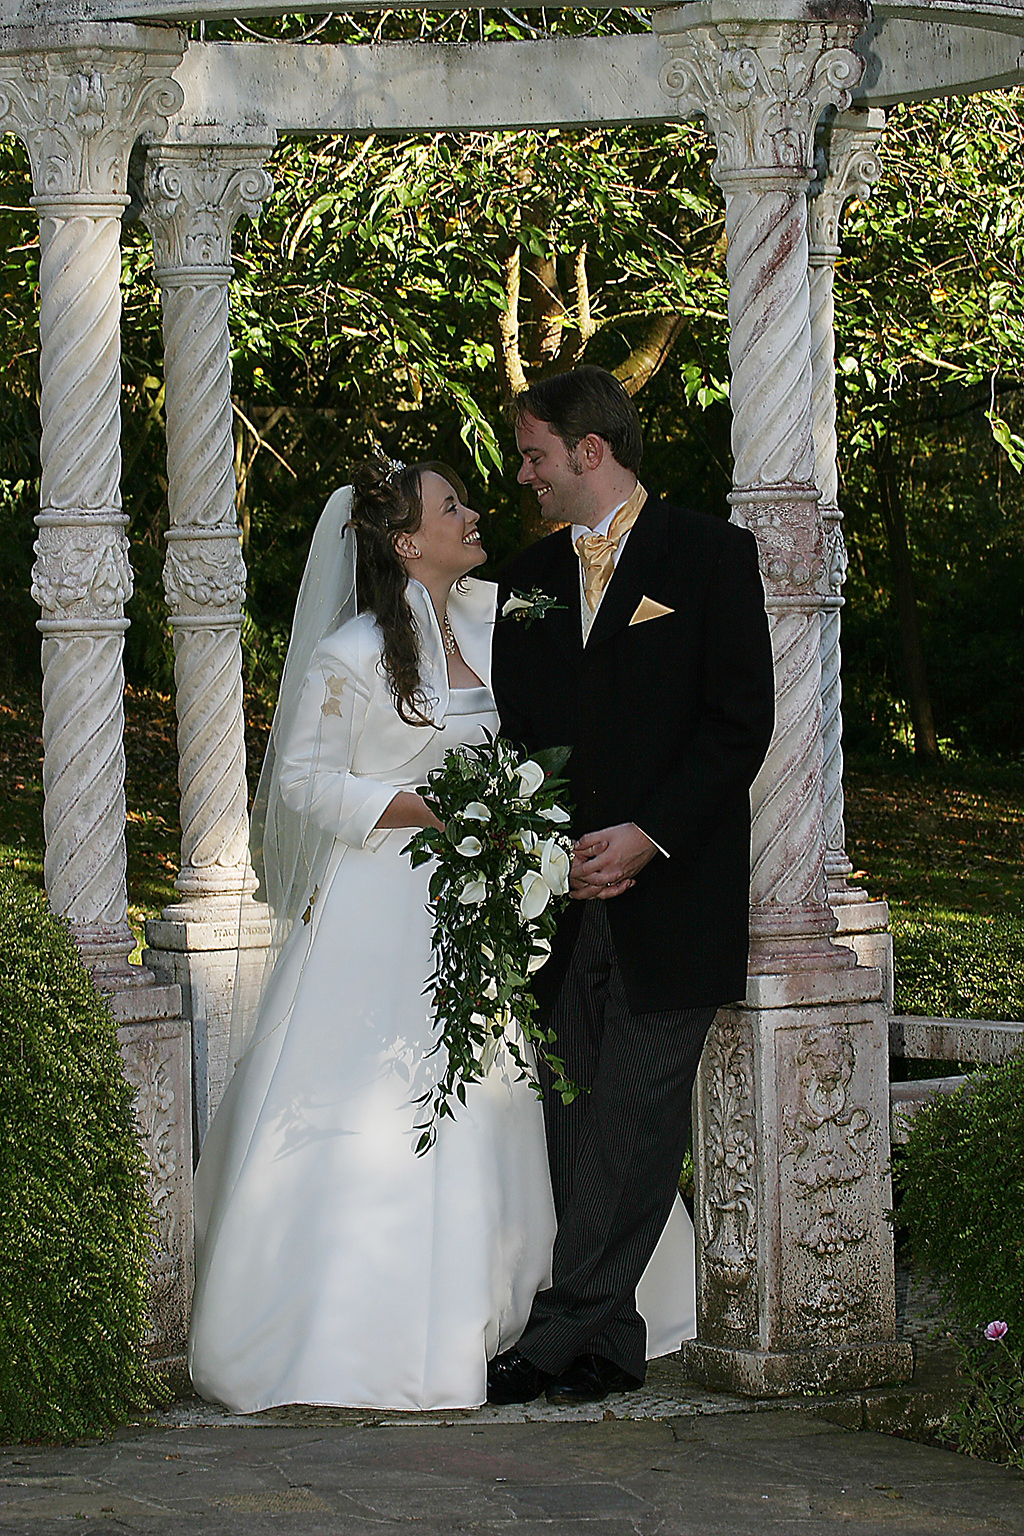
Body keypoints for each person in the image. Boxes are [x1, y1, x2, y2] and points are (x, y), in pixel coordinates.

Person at [188, 457, 695, 1414]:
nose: (472, 514)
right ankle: (357, 1330)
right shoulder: (349, 655)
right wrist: (420, 809)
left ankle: (546, 1311)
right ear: (405, 542)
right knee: (395, 1097)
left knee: (514, 1094)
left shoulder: (496, 618)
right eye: (450, 506)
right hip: (384, 905)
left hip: (482, 906)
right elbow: (302, 781)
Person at [488, 366, 775, 1407]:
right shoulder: (521, 578)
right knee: (575, 1119)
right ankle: (608, 1347)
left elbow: (739, 721)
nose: (523, 475)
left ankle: (557, 1336)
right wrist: (534, 845)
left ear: (589, 451)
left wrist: (649, 837)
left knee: (635, 1123)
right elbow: (513, 733)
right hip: (560, 904)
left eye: (533, 455)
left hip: (674, 894)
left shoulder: (708, 555)